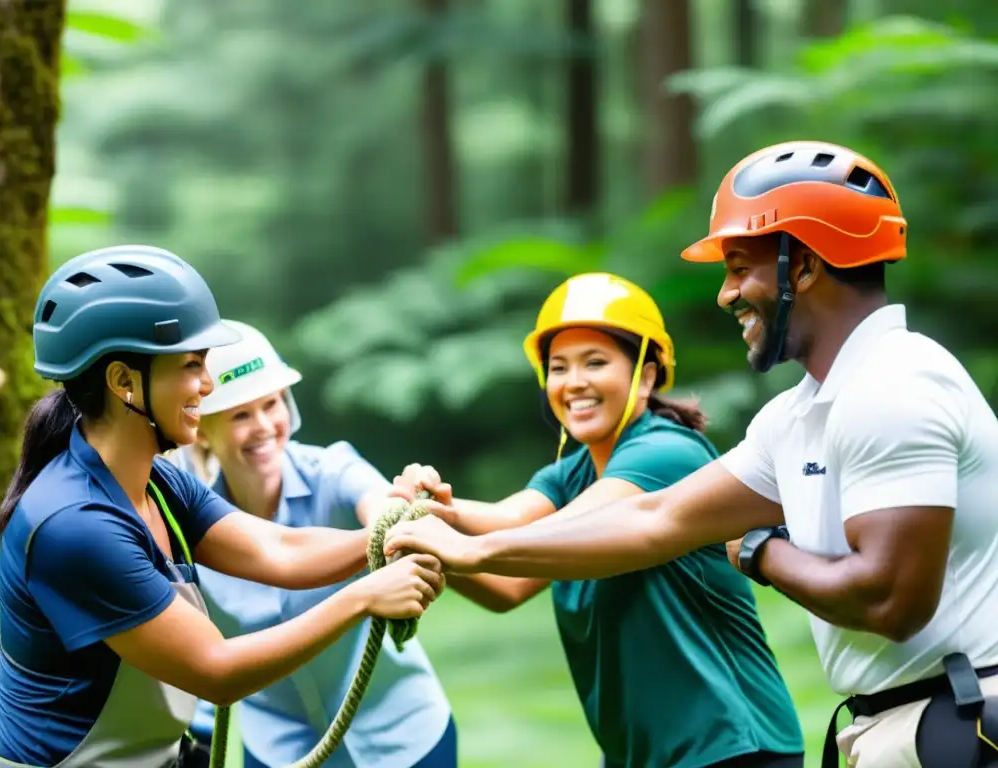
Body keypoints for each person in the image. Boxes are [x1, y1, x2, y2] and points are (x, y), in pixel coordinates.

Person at [384, 141, 998, 768]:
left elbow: (888, 601)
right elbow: (658, 521)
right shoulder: (795, 417)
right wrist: (455, 531)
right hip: (904, 723)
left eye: (739, 267)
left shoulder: (892, 386)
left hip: (957, 721)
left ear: (805, 266)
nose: (725, 294)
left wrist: (761, 552)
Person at [0, 245, 443, 768]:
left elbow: (277, 550)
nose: (209, 384)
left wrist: (387, 534)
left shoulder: (157, 481)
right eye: (192, 365)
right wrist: (364, 597)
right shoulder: (76, 525)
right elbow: (215, 670)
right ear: (123, 382)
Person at [390, 272, 805, 768]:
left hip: (732, 746)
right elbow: (508, 569)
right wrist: (422, 516)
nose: (574, 382)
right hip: (645, 756)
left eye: (595, 362)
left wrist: (444, 528)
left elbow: (550, 532)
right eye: (559, 367)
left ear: (646, 376)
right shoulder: (569, 474)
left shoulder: (666, 454)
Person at [166, 319, 456, 768]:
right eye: (241, 413)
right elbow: (194, 639)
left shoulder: (333, 469)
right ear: (202, 430)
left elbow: (378, 507)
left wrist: (401, 509)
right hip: (280, 750)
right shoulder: (184, 524)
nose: (264, 426)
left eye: (272, 403)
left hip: (403, 736)